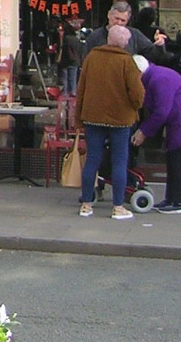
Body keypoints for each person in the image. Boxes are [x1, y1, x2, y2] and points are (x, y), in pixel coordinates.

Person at [75, 24, 145, 219]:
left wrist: (78, 118)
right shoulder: (126, 61)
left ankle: (86, 204)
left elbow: (81, 89)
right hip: (120, 120)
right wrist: (135, 107)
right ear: (123, 41)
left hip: (92, 117)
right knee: (119, 161)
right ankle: (117, 207)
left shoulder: (91, 58)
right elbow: (137, 94)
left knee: (92, 160)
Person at [130, 55, 181, 213]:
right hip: (176, 122)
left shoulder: (159, 79)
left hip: (178, 122)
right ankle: (172, 198)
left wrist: (143, 131)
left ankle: (176, 201)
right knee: (173, 159)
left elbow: (161, 112)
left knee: (176, 159)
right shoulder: (156, 77)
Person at [84, 1, 167, 64]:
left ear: (128, 20)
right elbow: (85, 62)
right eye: (116, 18)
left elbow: (152, 55)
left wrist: (159, 45)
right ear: (109, 15)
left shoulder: (134, 35)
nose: (119, 23)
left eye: (123, 20)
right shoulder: (94, 36)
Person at [56, 20, 84, 96]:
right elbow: (80, 50)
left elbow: (61, 48)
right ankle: (73, 92)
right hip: (75, 61)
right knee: (73, 78)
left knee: (64, 78)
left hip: (65, 61)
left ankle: (65, 93)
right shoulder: (76, 39)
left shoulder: (65, 39)